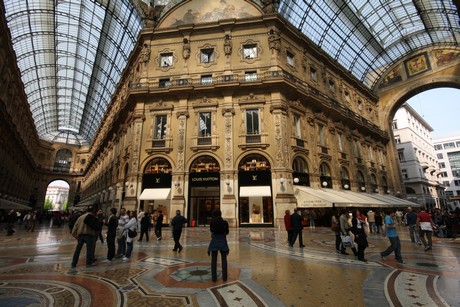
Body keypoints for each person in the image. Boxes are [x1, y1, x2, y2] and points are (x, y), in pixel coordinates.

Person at [208, 209, 229, 282]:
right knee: (224, 259)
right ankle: (224, 277)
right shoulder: (225, 222)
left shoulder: (212, 222)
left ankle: (214, 278)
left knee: (213, 260)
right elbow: (227, 232)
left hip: (214, 241)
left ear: (214, 215)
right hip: (223, 241)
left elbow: (211, 230)